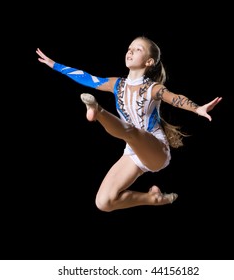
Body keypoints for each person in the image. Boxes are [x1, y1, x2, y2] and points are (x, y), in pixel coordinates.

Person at [36, 36, 222, 212]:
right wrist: (55, 65)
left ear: (149, 61)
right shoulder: (117, 84)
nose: (130, 52)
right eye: (129, 48)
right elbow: (88, 78)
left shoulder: (152, 88)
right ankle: (155, 199)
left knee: (131, 132)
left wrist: (198, 109)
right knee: (103, 202)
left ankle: (97, 111)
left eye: (137, 49)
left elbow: (175, 99)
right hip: (133, 151)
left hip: (156, 149)